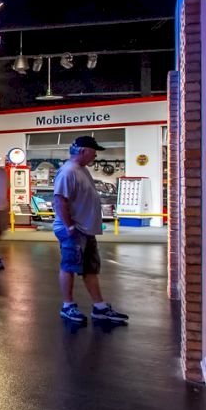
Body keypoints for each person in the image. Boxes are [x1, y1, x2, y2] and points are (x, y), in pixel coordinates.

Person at [52, 135, 129, 325]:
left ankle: (100, 308)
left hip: (86, 230)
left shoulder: (81, 170)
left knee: (90, 269)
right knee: (69, 267)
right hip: (74, 230)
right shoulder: (68, 172)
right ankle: (67, 306)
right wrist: (70, 226)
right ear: (82, 151)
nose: (95, 155)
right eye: (93, 151)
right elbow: (60, 200)